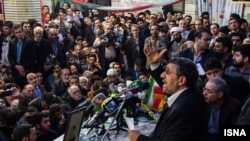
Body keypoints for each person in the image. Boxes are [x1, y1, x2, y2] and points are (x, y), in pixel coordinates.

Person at [128, 43, 208, 141]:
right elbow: (167, 84)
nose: (162, 75)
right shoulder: (186, 95)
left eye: (168, 72)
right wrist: (154, 64)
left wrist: (139, 138)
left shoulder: (185, 108)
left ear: (181, 80)